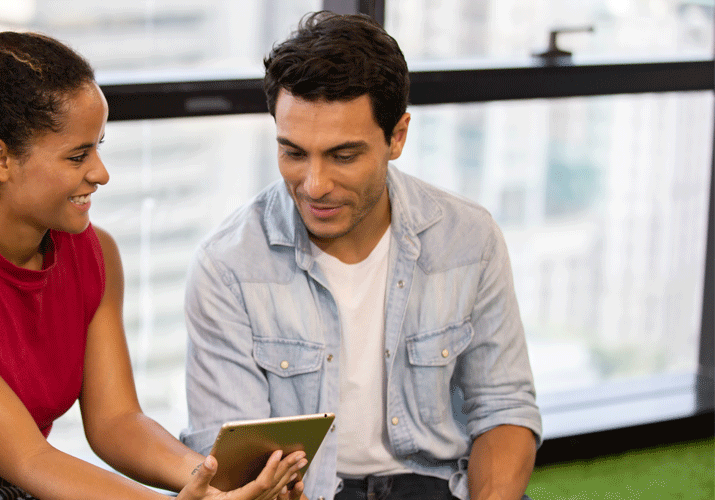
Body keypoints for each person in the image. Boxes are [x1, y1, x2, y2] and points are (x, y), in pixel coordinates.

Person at [0, 2, 309, 499]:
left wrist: (209, 481)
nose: (100, 173)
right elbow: (28, 458)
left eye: (98, 146)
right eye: (78, 155)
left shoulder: (95, 254)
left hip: (19, 480)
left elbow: (116, 422)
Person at [180, 11, 542, 500]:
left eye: (343, 156)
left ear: (397, 137)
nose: (314, 185)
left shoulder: (468, 238)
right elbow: (233, 462)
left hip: (436, 486)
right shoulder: (228, 266)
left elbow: (503, 407)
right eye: (293, 152)